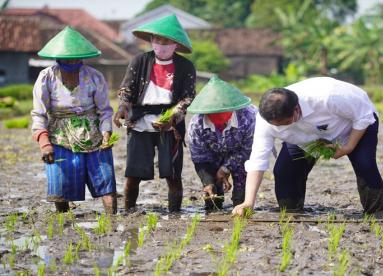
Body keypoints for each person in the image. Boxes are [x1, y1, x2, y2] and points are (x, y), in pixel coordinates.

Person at [232, 77, 383, 215]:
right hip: (306, 138)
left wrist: (348, 147)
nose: (279, 129)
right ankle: (292, 211)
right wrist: (248, 202)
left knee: (365, 166)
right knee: (285, 172)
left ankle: (376, 214)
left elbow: (364, 115)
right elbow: (258, 159)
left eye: (285, 123)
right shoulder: (266, 121)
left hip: (352, 126)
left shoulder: (329, 97)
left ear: (296, 110)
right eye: (276, 126)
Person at [113, 14, 196, 212]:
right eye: (157, 40)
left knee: (173, 175)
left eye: (166, 41)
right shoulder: (140, 61)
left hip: (170, 125)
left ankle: (174, 214)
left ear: (175, 44)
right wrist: (123, 107)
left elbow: (188, 98)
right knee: (133, 175)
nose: (161, 44)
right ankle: (128, 211)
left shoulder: (185, 66)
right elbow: (127, 89)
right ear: (151, 41)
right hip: (139, 122)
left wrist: (172, 118)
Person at [31, 26, 117, 213]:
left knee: (105, 179)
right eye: (67, 58)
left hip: (93, 133)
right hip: (59, 135)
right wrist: (44, 143)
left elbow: (104, 111)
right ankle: (63, 220)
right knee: (61, 185)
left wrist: (106, 133)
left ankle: (113, 220)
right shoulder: (46, 77)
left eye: (75, 58)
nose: (71, 61)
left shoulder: (94, 77)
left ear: (82, 57)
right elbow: (39, 113)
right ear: (58, 58)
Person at [187, 76, 256, 209]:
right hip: (213, 155)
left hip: (241, 154)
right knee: (212, 198)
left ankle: (241, 208)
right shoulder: (196, 125)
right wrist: (208, 182)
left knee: (241, 198)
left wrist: (226, 168)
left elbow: (248, 150)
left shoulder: (249, 117)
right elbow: (200, 158)